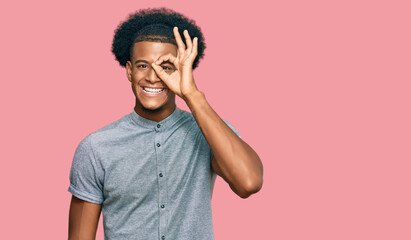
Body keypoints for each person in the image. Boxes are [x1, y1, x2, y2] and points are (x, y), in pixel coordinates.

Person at [68, 7, 263, 240]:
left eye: (165, 67)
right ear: (129, 71)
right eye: (143, 65)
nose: (153, 77)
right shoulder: (95, 148)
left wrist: (191, 94)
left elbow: (249, 183)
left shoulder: (208, 132)